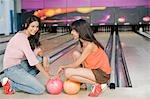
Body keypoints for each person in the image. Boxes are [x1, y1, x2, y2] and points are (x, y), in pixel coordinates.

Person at [57, 19, 111, 97]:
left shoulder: (90, 45)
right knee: (75, 54)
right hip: (93, 69)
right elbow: (80, 61)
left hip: (101, 74)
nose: (71, 32)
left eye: (73, 30)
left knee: (67, 72)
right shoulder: (83, 43)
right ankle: (82, 81)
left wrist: (63, 67)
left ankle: (98, 84)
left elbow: (76, 64)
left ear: (80, 31)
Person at [1, 15, 51, 95]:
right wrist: (49, 76)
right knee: (40, 89)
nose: (35, 29)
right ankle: (12, 85)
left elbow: (39, 52)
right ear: (26, 25)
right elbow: (33, 61)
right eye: (32, 26)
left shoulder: (28, 37)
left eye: (37, 27)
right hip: (12, 69)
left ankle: (13, 81)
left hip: (19, 66)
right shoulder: (22, 38)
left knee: (42, 59)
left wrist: (45, 58)